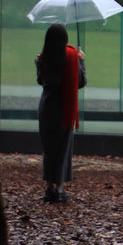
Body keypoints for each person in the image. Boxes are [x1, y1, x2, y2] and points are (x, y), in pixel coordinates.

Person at [35, 23, 87, 203]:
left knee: (49, 148)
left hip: (47, 108)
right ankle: (60, 188)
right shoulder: (71, 57)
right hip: (64, 107)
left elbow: (40, 81)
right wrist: (81, 61)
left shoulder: (42, 58)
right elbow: (80, 82)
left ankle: (49, 188)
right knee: (63, 148)